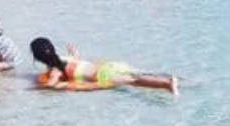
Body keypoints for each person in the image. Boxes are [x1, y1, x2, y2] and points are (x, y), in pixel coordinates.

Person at [30, 38, 178, 94]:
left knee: (134, 81)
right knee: (141, 74)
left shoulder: (55, 71)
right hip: (109, 66)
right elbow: (76, 62)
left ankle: (167, 84)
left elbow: (51, 85)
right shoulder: (65, 58)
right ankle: (177, 80)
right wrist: (74, 53)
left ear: (37, 57)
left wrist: (32, 89)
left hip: (103, 75)